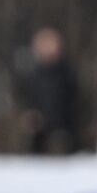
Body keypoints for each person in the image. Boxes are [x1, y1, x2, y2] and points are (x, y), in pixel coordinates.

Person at [19, 26, 80, 154]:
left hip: (63, 128)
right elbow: (28, 100)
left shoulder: (66, 73)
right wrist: (31, 116)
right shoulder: (34, 74)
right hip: (39, 131)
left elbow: (73, 102)